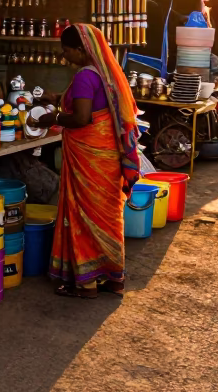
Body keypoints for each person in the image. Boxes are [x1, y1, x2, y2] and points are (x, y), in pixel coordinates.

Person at [37, 23, 141, 299]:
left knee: (85, 215)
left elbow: (82, 118)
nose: (64, 55)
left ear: (81, 50)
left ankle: (86, 284)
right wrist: (57, 98)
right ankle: (112, 277)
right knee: (107, 216)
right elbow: (95, 104)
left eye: (67, 50)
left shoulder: (84, 76)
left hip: (90, 156)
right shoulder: (104, 74)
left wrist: (53, 118)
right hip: (106, 158)